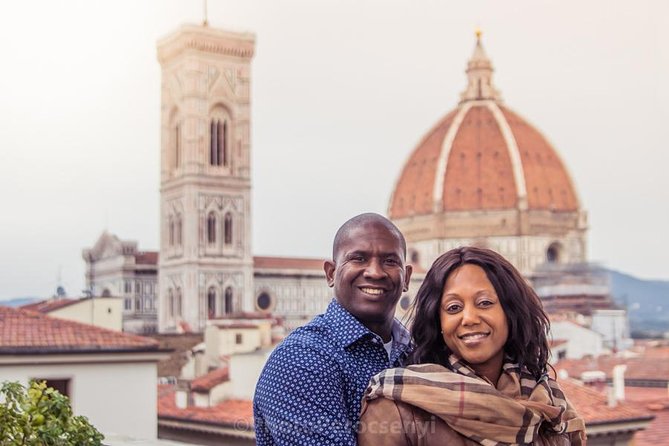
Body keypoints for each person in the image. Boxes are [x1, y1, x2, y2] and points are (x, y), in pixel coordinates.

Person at [358, 246, 587, 445]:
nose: (469, 318)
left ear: (510, 312)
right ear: (438, 321)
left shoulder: (553, 406)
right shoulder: (396, 410)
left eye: (485, 303)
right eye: (454, 308)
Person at [254, 213, 413, 445]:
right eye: (358, 259)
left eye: (390, 261)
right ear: (331, 273)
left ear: (406, 277)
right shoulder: (300, 359)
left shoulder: (416, 353)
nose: (375, 272)